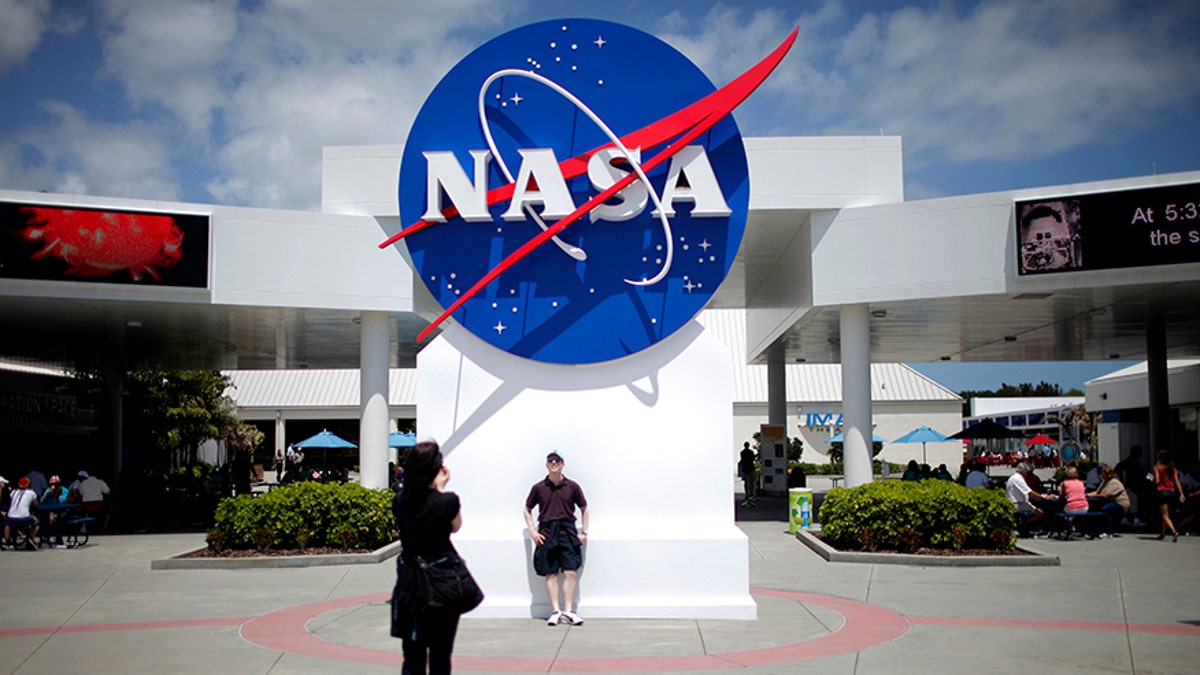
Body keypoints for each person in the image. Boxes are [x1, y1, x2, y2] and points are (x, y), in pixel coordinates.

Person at [391, 440, 465, 674]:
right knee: (441, 655)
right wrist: (440, 490)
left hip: (410, 583)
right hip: (441, 583)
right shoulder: (448, 500)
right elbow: (455, 526)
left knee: (412, 656)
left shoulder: (400, 500)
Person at [524, 451, 589, 627]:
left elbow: (584, 508)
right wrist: (532, 531)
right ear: (547, 464)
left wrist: (584, 532)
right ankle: (555, 612)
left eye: (557, 461)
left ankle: (569, 611)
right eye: (550, 461)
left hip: (567, 531)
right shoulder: (538, 488)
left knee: (570, 572)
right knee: (550, 573)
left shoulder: (573, 486)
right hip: (547, 531)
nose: (554, 463)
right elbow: (527, 508)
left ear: (562, 464)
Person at [1007, 463, 1052, 536]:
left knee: (1036, 508)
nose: (1027, 474)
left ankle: (1023, 523)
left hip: (1017, 502)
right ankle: (1022, 523)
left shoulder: (1013, 477)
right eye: (1026, 472)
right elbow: (1029, 491)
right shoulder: (1018, 478)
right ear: (1023, 471)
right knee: (1040, 513)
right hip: (1017, 504)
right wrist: (1043, 497)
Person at [1086, 466, 1129, 539]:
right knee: (1094, 508)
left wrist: (1096, 495)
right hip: (1110, 502)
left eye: (1102, 473)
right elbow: (1097, 492)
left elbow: (1106, 495)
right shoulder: (1104, 482)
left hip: (1120, 503)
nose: (1101, 475)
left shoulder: (1114, 482)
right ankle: (1094, 530)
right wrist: (1086, 495)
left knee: (1105, 509)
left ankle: (1109, 532)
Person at [1152, 451, 1184, 542]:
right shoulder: (1172, 468)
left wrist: (1150, 479)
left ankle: (1174, 531)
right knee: (1166, 514)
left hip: (1162, 492)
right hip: (1171, 492)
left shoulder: (1157, 467)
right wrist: (1181, 494)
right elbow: (1177, 482)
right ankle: (1163, 533)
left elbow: (1157, 481)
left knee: (1164, 515)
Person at [1115, 445, 1150, 527]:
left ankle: (1126, 518)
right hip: (1132, 486)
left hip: (1130, 486)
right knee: (1133, 502)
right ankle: (1135, 519)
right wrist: (1125, 484)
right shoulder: (1132, 464)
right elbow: (1126, 475)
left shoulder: (1126, 463)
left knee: (1127, 502)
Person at [2, 476, 40, 550]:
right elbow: (36, 505)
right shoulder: (31, 492)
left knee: (7, 525)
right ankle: (30, 539)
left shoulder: (13, 492)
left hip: (11, 516)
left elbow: (11, 502)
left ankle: (8, 543)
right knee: (37, 523)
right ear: (29, 485)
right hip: (24, 517)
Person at [738, 442, 757, 507]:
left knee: (746, 483)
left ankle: (747, 495)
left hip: (745, 469)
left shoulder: (742, 452)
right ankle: (751, 496)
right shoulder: (751, 452)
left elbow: (742, 460)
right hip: (751, 468)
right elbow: (753, 459)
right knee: (752, 483)